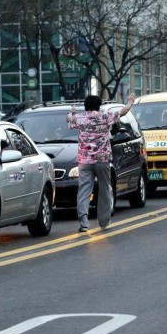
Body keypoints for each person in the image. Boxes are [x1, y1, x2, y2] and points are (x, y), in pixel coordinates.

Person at [66, 94, 135, 232]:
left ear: (85, 106)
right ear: (99, 106)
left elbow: (69, 119)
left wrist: (72, 111)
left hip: (84, 161)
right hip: (102, 159)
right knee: (104, 188)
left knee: (84, 190)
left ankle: (84, 222)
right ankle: (104, 220)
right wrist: (130, 102)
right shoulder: (104, 116)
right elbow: (124, 111)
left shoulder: (80, 118)